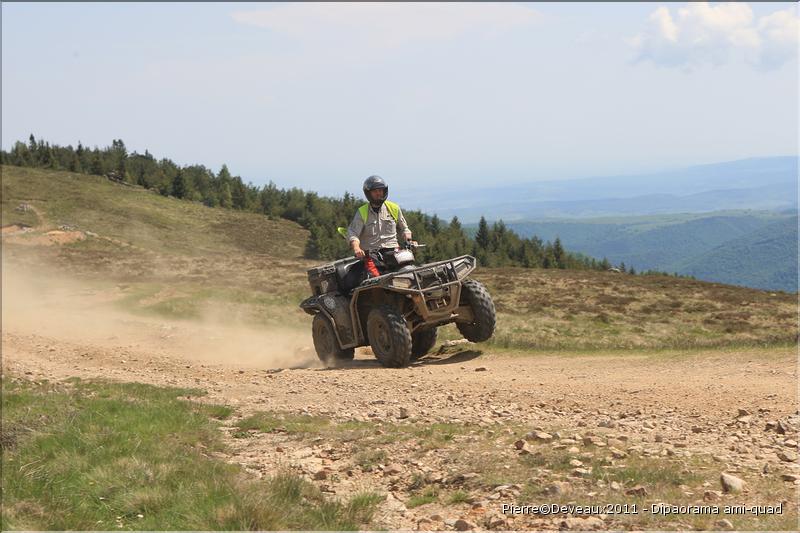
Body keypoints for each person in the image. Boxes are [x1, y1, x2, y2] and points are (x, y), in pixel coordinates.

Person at [347, 175, 413, 277]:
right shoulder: (362, 212)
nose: (378, 193)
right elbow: (353, 233)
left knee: (408, 272)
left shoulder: (394, 208)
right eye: (375, 191)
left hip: (393, 250)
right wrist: (356, 248)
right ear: (368, 193)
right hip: (371, 254)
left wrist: (408, 238)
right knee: (376, 278)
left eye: (380, 190)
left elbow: (405, 229)